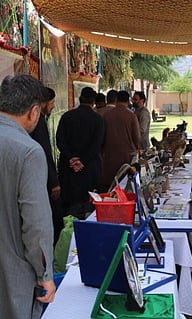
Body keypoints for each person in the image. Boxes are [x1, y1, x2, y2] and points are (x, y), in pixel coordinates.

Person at [0, 74, 56, 318]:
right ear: (34, 112)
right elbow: (36, 225)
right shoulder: (28, 151)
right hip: (13, 275)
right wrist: (46, 275)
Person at [56, 87, 104, 217]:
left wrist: (71, 158)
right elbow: (97, 145)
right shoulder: (97, 119)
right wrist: (82, 160)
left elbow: (59, 141)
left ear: (80, 99)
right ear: (93, 102)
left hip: (68, 167)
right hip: (89, 168)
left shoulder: (67, 116)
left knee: (69, 206)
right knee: (88, 205)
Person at [30, 87, 63, 245]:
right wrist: (54, 182)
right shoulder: (39, 123)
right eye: (52, 102)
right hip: (42, 178)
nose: (53, 106)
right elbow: (44, 151)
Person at [102, 90, 141, 190]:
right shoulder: (131, 116)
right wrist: (137, 148)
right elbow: (137, 137)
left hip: (109, 157)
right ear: (128, 101)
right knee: (124, 188)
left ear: (116, 100)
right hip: (126, 158)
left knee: (110, 188)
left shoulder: (106, 116)